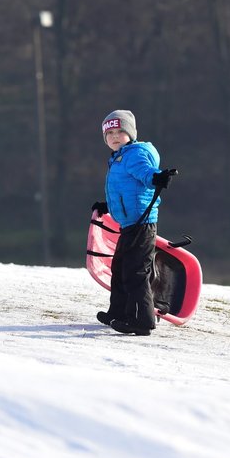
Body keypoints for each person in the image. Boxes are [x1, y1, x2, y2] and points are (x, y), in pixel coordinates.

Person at [92, 109, 173, 335]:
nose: (115, 136)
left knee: (135, 271)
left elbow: (145, 174)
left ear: (130, 133)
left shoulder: (134, 154)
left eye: (120, 131)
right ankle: (118, 312)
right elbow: (127, 190)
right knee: (119, 269)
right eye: (110, 133)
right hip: (129, 224)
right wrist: (108, 206)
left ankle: (142, 320)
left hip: (142, 222)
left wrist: (157, 177)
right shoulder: (118, 158)